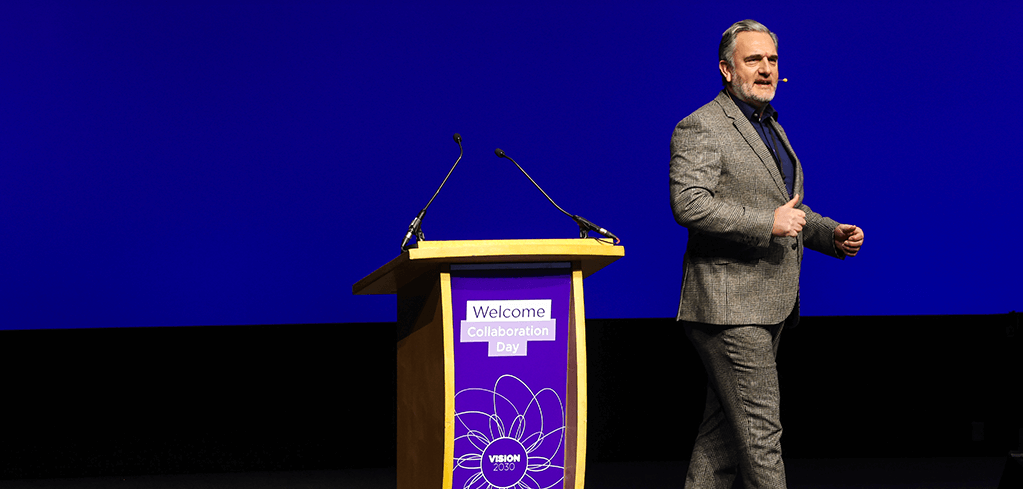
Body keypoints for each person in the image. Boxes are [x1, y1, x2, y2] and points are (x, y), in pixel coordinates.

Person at [669, 19, 864, 489]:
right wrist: (766, 223)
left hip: (763, 302)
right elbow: (689, 203)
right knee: (760, 434)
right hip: (730, 307)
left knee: (721, 439)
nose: (765, 69)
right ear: (726, 69)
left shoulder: (769, 125)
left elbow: (786, 206)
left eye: (772, 60)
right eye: (753, 59)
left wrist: (827, 234)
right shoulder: (702, 126)